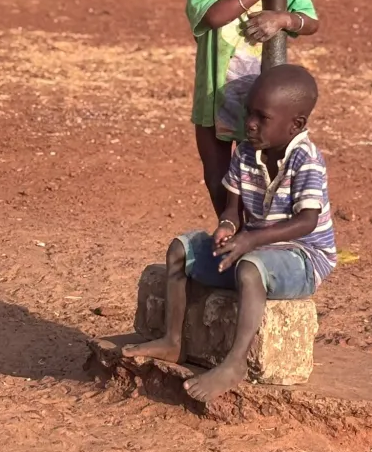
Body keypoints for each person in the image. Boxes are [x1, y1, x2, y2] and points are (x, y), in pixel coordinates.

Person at [123, 64, 335, 402]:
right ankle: (172, 341)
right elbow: (233, 210)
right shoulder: (247, 153)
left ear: (295, 124)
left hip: (301, 258)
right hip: (252, 248)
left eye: (262, 117)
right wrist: (228, 227)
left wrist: (249, 240)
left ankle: (235, 363)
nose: (250, 123)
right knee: (181, 249)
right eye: (249, 112)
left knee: (250, 269)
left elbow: (307, 221)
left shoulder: (305, 159)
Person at [186, 0, 319, 215]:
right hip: (213, 101)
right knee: (217, 178)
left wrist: (284, 18)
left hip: (261, 109)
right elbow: (215, 15)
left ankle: (258, 235)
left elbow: (311, 21)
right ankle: (231, 231)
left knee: (258, 178)